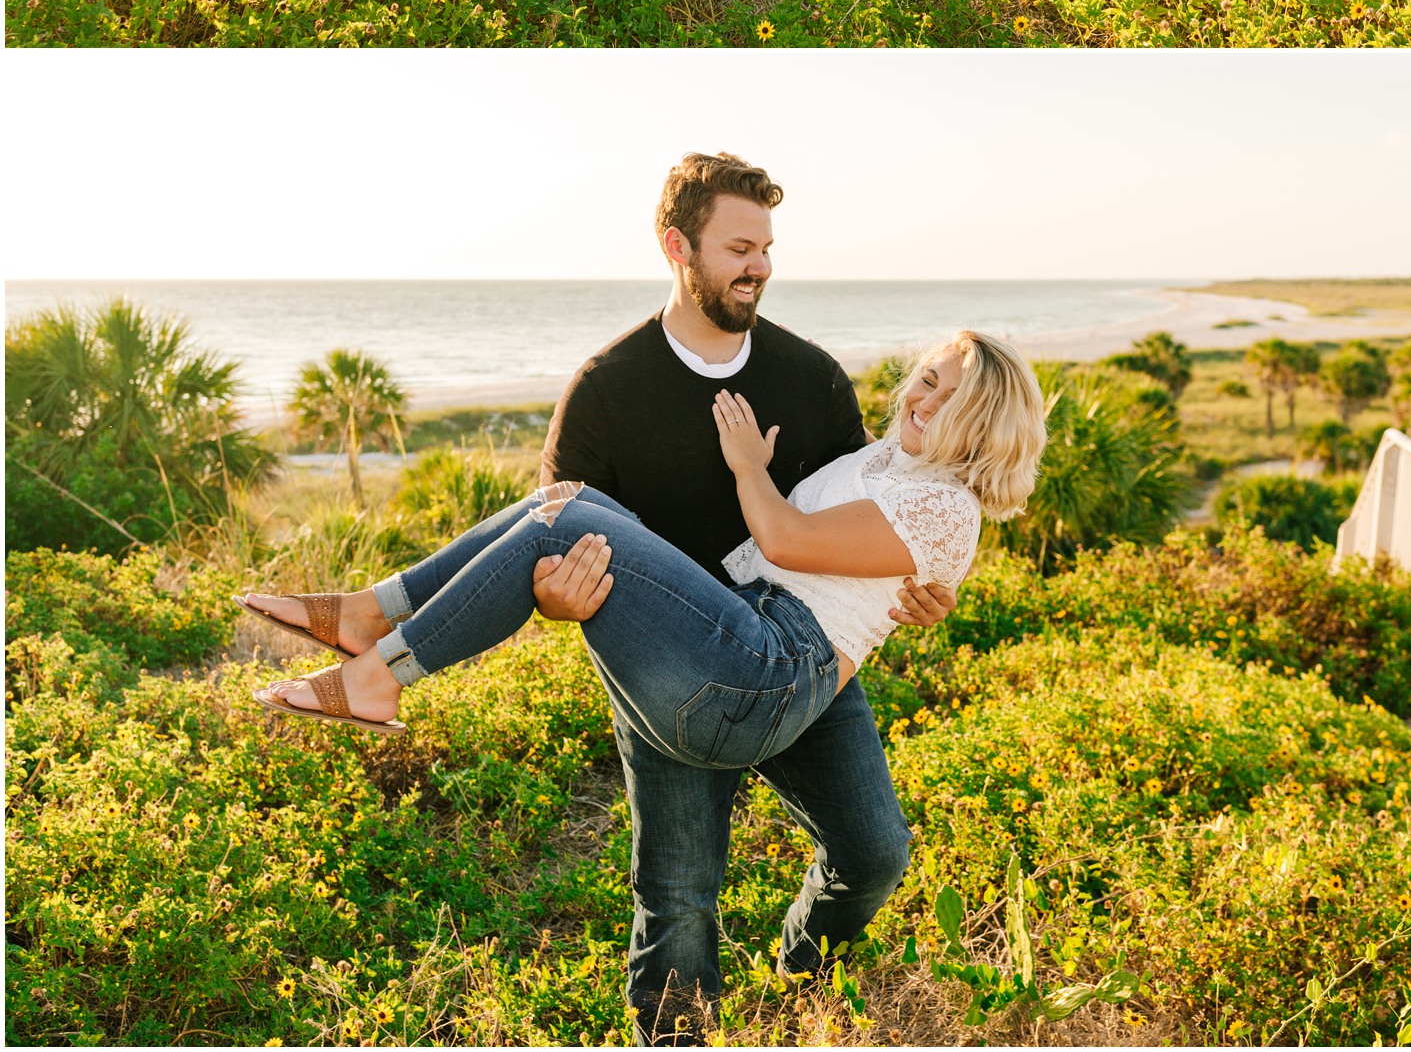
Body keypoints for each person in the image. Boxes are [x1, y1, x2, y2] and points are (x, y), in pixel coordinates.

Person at [237, 154, 1046, 1043]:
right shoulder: (607, 385)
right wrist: (558, 595)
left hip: (780, 656)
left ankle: (806, 987)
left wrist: (921, 586)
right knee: (676, 897)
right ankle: (375, 636)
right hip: (672, 653)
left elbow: (855, 529)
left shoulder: (812, 378)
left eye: (767, 247)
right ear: (678, 247)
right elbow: (551, 553)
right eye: (740, 246)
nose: (760, 266)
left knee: (875, 853)